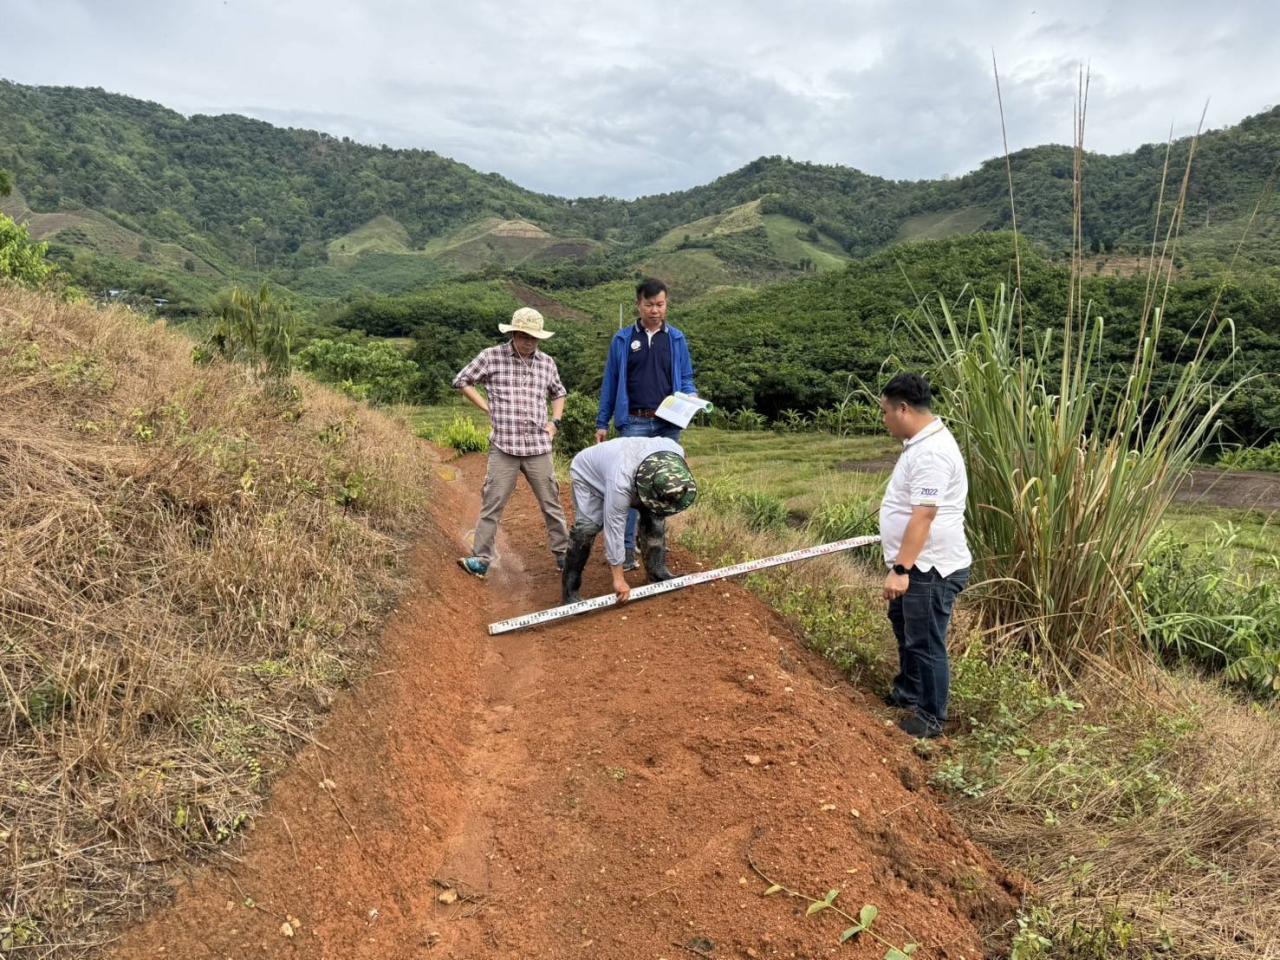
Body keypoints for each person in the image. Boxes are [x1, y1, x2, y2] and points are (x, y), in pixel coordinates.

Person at [877, 373, 972, 739]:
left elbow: (924, 515)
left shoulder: (932, 451)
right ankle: (909, 692)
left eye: (886, 412)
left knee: (925, 639)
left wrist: (902, 568)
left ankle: (931, 718)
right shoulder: (920, 442)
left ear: (903, 409)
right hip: (919, 563)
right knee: (905, 626)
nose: (884, 419)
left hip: (929, 567)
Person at [453, 307, 569, 579]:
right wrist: (486, 407)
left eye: (534, 337)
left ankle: (564, 556)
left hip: (539, 447)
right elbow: (462, 380)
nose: (529, 342)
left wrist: (555, 423)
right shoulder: (492, 357)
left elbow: (559, 392)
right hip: (504, 446)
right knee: (492, 502)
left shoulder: (546, 362)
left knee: (551, 502)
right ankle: (481, 559)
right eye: (523, 336)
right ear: (514, 333)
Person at [594, 278, 698, 570]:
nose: (655, 310)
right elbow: (611, 383)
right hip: (634, 422)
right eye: (650, 304)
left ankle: (655, 553)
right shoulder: (623, 340)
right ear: (638, 304)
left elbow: (687, 377)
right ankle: (625, 551)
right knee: (627, 488)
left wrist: (691, 396)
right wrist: (603, 422)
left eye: (660, 304)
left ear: (667, 304)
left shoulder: (676, 339)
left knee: (662, 489)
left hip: (667, 424)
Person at [562, 437, 698, 604]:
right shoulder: (620, 482)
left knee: (654, 516)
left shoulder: (675, 450)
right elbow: (614, 530)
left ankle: (657, 574)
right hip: (588, 474)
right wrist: (618, 579)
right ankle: (570, 591)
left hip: (630, 467)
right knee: (588, 527)